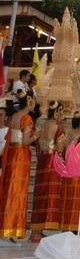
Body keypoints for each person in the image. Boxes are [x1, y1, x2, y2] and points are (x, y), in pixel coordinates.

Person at [0, 94, 40, 245]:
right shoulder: (26, 119)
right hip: (21, 157)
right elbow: (25, 141)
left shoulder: (12, 117)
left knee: (9, 191)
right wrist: (36, 136)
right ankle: (12, 229)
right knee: (18, 192)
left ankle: (5, 228)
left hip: (11, 155)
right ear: (29, 102)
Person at [29, 100, 66, 242]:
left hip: (42, 161)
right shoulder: (58, 128)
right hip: (52, 161)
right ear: (57, 113)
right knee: (49, 193)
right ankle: (38, 231)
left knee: (40, 194)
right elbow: (60, 148)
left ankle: (36, 231)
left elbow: (38, 146)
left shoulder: (42, 125)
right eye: (61, 112)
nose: (62, 116)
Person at [58, 112, 80, 234]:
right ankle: (74, 225)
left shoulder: (68, 135)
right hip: (77, 172)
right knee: (76, 198)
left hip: (68, 170)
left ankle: (66, 225)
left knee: (67, 197)